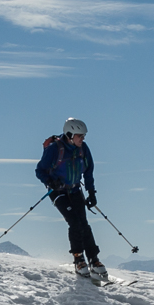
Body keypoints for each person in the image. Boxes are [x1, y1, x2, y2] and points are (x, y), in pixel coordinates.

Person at [35, 118, 108, 281]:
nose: (82, 139)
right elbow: (40, 170)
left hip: (75, 190)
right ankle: (78, 259)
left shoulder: (83, 149)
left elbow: (89, 171)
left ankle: (94, 259)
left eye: (83, 136)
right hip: (57, 192)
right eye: (79, 136)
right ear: (69, 134)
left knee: (83, 223)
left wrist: (91, 192)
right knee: (74, 222)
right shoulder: (55, 149)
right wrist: (50, 182)